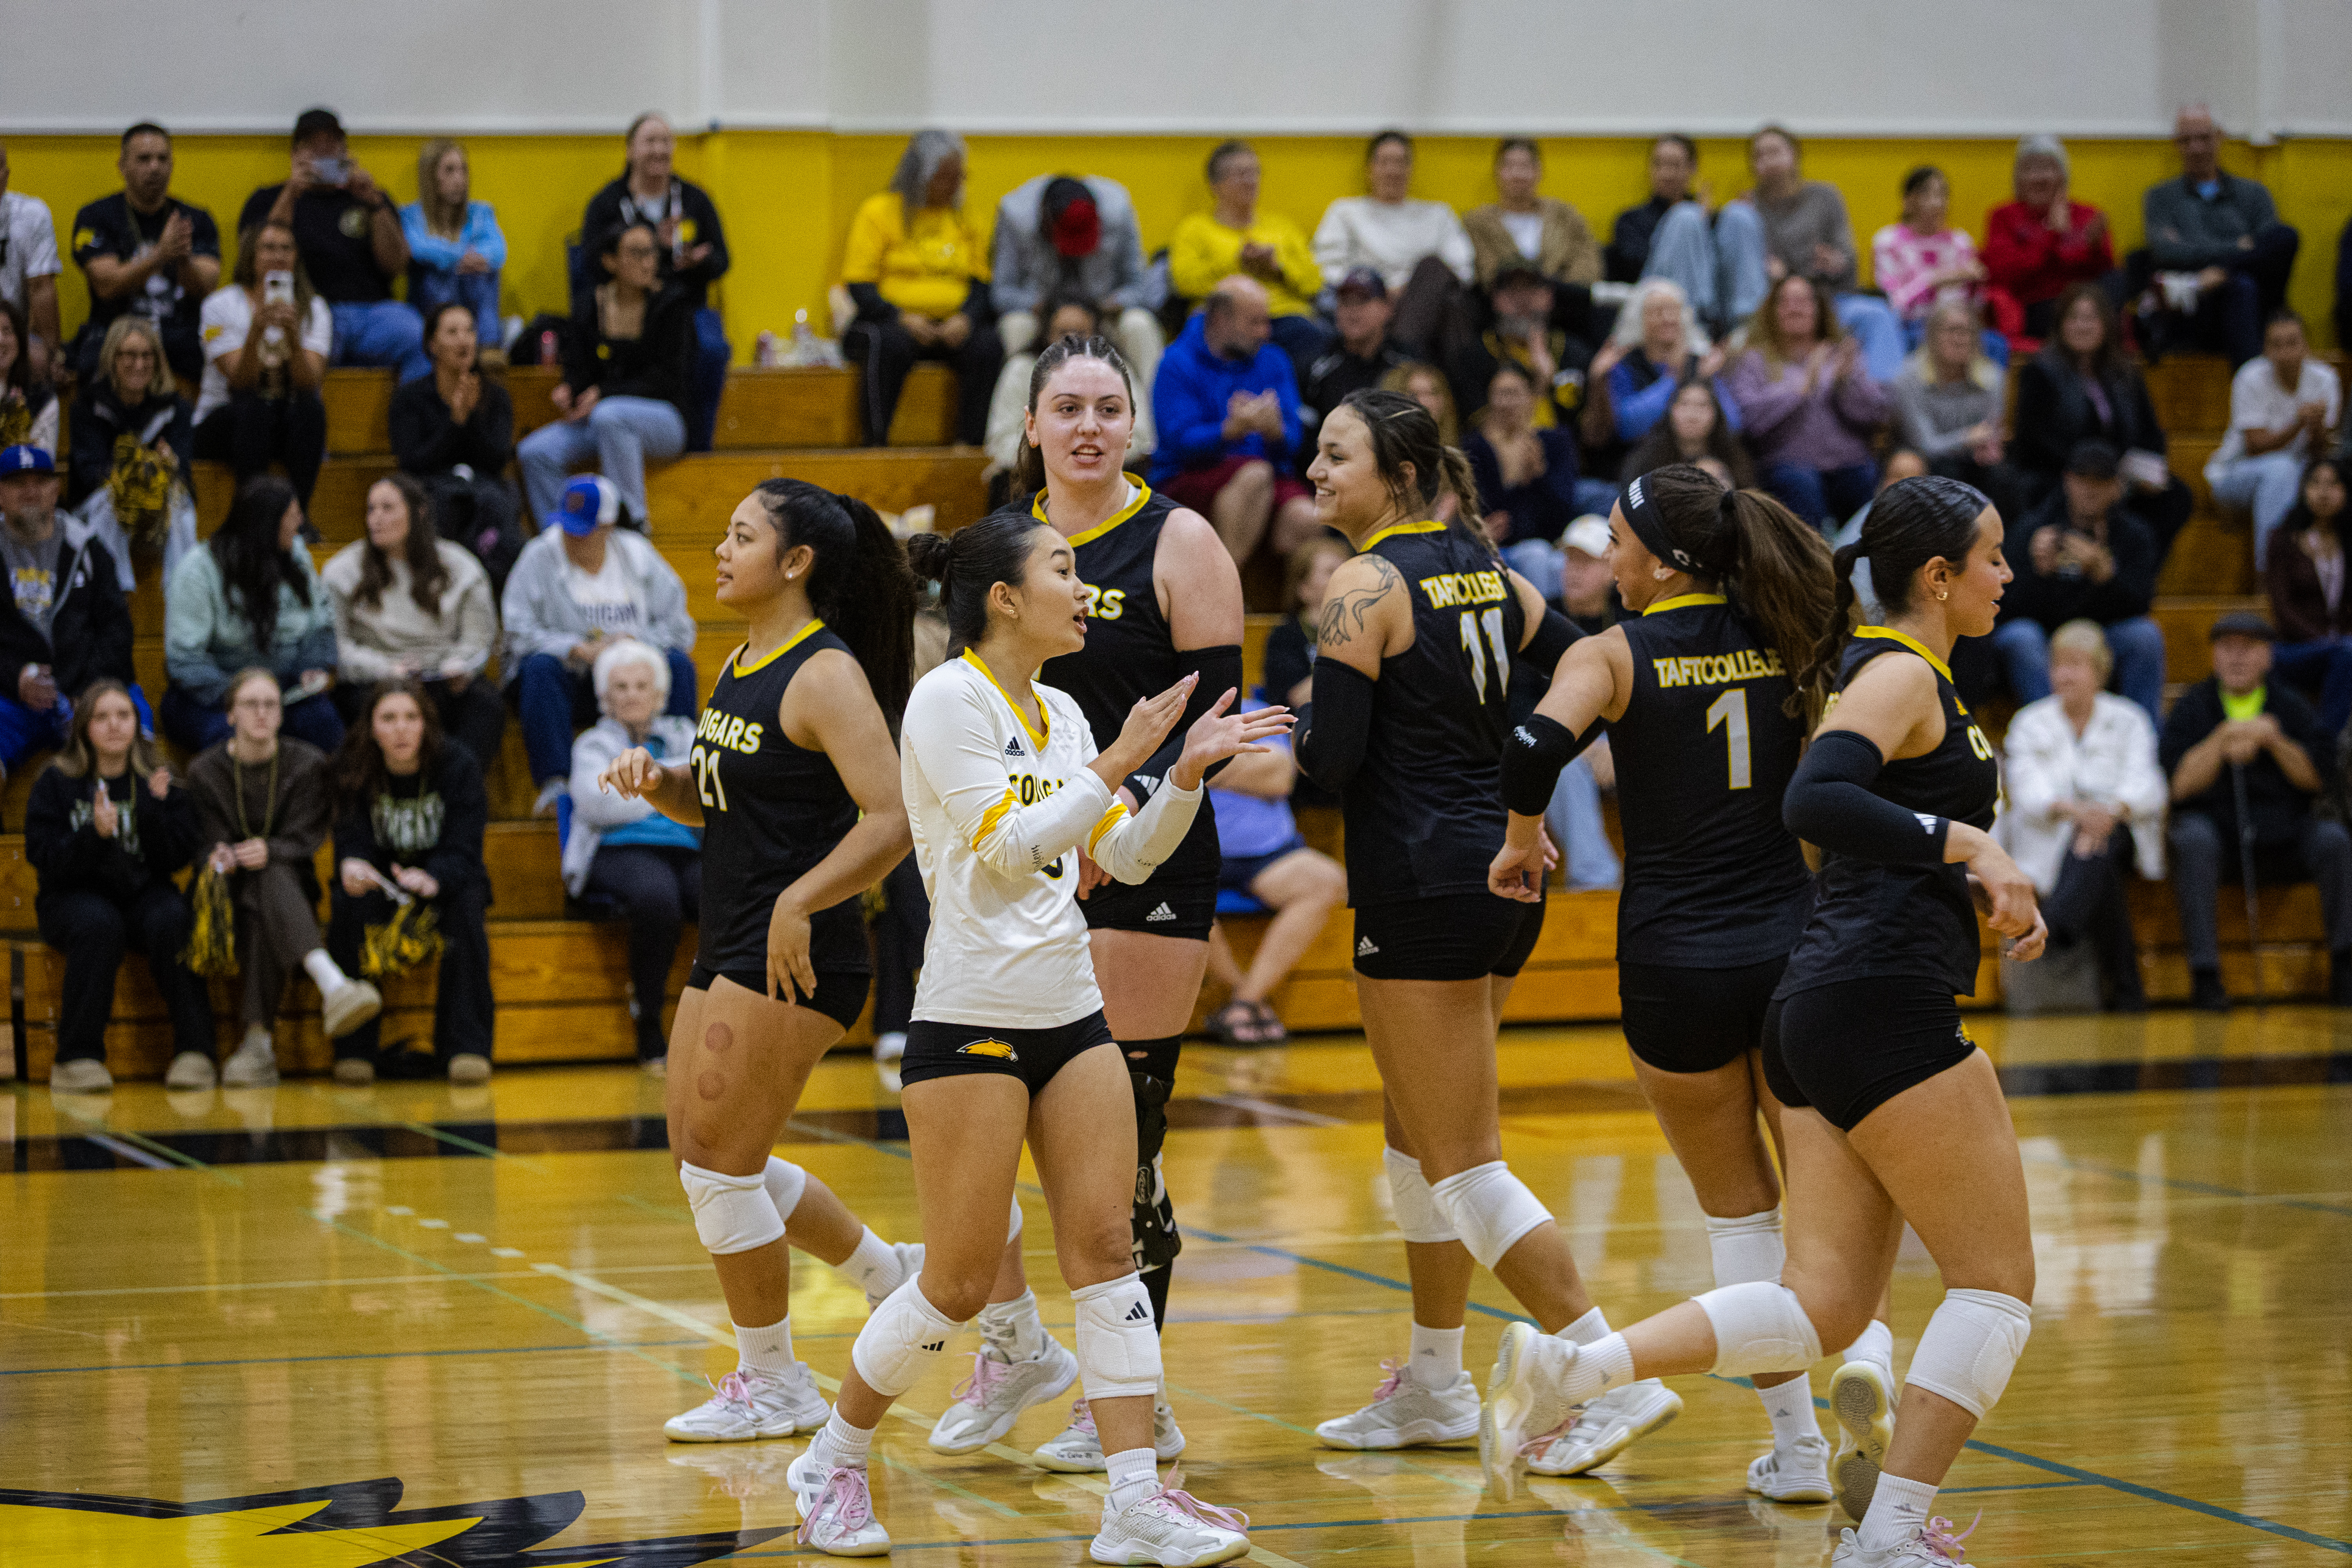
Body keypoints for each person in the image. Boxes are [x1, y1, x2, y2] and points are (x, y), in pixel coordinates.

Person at [1479, 476, 2047, 1568]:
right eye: (1993, 555)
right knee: (1995, 1286)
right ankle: (1888, 1537)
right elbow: (1814, 799)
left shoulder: (1859, 663)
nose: (2008, 573)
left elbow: (1537, 749)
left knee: (1822, 1301)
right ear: (1938, 577)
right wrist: (1972, 846)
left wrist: (1973, 873)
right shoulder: (1879, 667)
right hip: (1866, 990)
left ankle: (1580, 1369)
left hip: (1802, 989)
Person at [788, 510, 1277, 1562]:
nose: (1085, 587)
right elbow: (1009, 848)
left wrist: (1182, 776)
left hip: (1073, 1015)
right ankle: (833, 1458)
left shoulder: (1060, 709)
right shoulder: (945, 700)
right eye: (1064, 569)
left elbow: (1127, 858)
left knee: (1108, 1251)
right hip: (970, 1020)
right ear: (1006, 598)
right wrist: (1125, 756)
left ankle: (1133, 1501)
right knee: (957, 1284)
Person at [1488, 464, 1897, 1495]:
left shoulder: (1614, 653)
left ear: (1666, 563)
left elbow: (1532, 747)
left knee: (1739, 1218)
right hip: (1796, 950)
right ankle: (1870, 1360)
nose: (1610, 558)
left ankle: (1798, 1453)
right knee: (1835, 1207)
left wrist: (1523, 840)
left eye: (1619, 541)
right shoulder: (1786, 635)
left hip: (1672, 963)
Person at [1290, 390, 1641, 1473]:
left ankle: (1609, 1374)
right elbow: (1593, 662)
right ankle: (1435, 1384)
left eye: (1336, 456)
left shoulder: (1363, 585)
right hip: (1499, 874)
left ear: (1398, 475)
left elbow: (1331, 761)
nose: (1315, 472)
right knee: (1415, 1138)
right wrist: (1525, 766)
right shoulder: (1491, 572)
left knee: (1461, 1163)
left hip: (1419, 888)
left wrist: (1286, 726)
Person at [927, 334, 1247, 1470]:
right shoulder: (1003, 544)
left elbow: (1213, 721)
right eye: (1067, 407)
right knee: (989, 1127)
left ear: (1134, 424)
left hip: (1142, 859)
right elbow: (967, 702)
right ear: (1030, 425)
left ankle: (1133, 1400)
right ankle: (1017, 1343)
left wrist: (1115, 825)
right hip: (1023, 865)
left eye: (1109, 407)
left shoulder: (1182, 539)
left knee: (1126, 1143)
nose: (1089, 427)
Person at [588, 487, 920, 1477]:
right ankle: (887, 1272)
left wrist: (803, 900)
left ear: (796, 561)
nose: (721, 550)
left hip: (798, 950)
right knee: (704, 1153)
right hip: (733, 934)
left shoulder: (826, 672)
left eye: (743, 535)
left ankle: (774, 1379)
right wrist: (665, 784)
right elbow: (730, 800)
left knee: (722, 1165)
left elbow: (892, 817)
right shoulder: (739, 661)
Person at [187, 667, 383, 1085]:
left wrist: (270, 850)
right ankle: (332, 985)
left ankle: (258, 1044)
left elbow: (305, 839)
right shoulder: (205, 771)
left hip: (289, 887)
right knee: (261, 886)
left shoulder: (308, 764)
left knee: (269, 878)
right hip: (226, 893)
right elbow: (202, 842)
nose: (261, 713)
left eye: (270, 705)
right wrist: (220, 856)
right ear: (231, 715)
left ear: (281, 713)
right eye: (250, 705)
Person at [2159, 611, 2352, 1011]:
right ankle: (2205, 975)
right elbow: (2177, 787)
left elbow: (2317, 779)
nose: (2237, 657)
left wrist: (2275, 742)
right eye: (2227, 648)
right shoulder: (2192, 707)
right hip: (2221, 837)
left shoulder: (2292, 706)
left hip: (2286, 834)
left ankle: (2346, 967)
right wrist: (2219, 741)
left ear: (2268, 656)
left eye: (2248, 648)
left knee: (2333, 840)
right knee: (2192, 839)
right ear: (2214, 655)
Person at [25, 680, 208, 1096]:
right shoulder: (56, 781)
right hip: (71, 896)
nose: (114, 725)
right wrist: (93, 835)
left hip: (143, 892)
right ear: (84, 728)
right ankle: (77, 1058)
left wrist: (153, 813)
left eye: (124, 715)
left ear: (137, 724)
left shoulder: (159, 780)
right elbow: (44, 857)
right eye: (102, 717)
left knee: (173, 917)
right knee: (98, 924)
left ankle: (196, 1050)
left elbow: (176, 859)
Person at [327, 678, 493, 1083]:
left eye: (411, 717)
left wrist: (434, 876)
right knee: (348, 905)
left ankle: (465, 1046)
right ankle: (354, 1048)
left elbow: (466, 845)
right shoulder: (352, 767)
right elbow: (350, 838)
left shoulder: (459, 765)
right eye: (389, 719)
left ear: (426, 724)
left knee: (467, 909)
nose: (401, 729)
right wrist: (353, 864)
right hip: (382, 880)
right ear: (372, 728)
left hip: (444, 876)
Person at [503, 475, 698, 813]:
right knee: (539, 669)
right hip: (574, 680)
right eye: (567, 528)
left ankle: (682, 771)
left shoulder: (638, 556)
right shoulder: (539, 556)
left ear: (608, 528)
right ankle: (555, 785)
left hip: (633, 679)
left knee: (679, 665)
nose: (571, 539)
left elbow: (681, 628)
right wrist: (574, 648)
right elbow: (516, 630)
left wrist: (636, 643)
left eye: (583, 531)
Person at [2001, 621, 2167, 1012]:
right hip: (2056, 837)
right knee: (2096, 856)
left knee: (2101, 842)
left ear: (2100, 671)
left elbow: (2148, 785)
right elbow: (2028, 791)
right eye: (2058, 664)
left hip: (2120, 831)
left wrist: (2109, 813)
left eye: (2076, 664)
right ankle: (2127, 991)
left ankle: (2058, 925)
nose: (2065, 674)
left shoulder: (2129, 719)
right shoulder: (2030, 722)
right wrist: (2081, 814)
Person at [564, 639, 700, 1069]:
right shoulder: (592, 744)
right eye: (620, 687)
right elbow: (596, 804)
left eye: (642, 686)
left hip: (685, 847)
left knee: (723, 894)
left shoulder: (687, 734)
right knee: (658, 897)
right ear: (605, 698)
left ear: (659, 695)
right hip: (616, 849)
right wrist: (669, 792)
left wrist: (640, 789)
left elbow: (710, 792)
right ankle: (649, 1017)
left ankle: (720, 1020)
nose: (631, 695)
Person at [518, 220, 693, 529]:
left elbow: (666, 379)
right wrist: (569, 389)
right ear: (610, 261)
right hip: (604, 418)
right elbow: (579, 365)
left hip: (664, 419)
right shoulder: (591, 303)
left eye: (652, 252)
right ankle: (567, 537)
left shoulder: (673, 304)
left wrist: (604, 393)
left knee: (610, 416)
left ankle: (631, 528)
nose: (648, 262)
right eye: (637, 253)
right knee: (534, 452)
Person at [321, 474, 503, 768]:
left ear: (419, 513)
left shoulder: (460, 565)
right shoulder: (343, 571)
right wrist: (385, 670)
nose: (376, 519)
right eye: (371, 509)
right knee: (356, 706)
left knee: (486, 703)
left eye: (388, 508)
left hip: (442, 676)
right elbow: (335, 645)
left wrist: (460, 664)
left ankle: (456, 783)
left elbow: (479, 636)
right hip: (374, 679)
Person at [840, 130, 1001, 448]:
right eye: (944, 178)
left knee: (988, 345)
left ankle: (968, 446)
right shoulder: (879, 212)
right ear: (919, 176)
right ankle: (875, 445)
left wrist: (967, 318)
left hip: (952, 324)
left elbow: (982, 283)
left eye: (959, 177)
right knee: (886, 343)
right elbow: (859, 284)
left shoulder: (966, 218)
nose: (954, 186)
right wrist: (901, 317)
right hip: (895, 321)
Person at [2011, 283, 2194, 562]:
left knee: (2176, 496)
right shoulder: (2040, 371)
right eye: (2074, 318)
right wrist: (2095, 474)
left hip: (2121, 477)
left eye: (2090, 318)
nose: (2082, 326)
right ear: (2061, 324)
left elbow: (2150, 433)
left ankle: (2134, 573)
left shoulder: (2126, 372)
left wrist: (2147, 471)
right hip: (2063, 474)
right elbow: (2032, 442)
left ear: (2106, 325)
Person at [580, 113, 731, 451]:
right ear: (630, 150)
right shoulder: (607, 203)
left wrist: (699, 261)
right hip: (628, 306)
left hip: (685, 305)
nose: (659, 149)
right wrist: (656, 250)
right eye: (650, 141)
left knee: (712, 350)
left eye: (666, 141)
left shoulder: (695, 199)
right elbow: (592, 263)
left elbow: (723, 260)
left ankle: (698, 445)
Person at [1201, 701, 1347, 1045]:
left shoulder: (1260, 711)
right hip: (1189, 855)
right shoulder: (1168, 715)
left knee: (1326, 882)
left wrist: (1202, 767)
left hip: (1268, 852)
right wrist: (1247, 768)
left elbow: (1281, 777)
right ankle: (1246, 1000)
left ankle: (1244, 1002)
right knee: (1171, 890)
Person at [240, 109, 422, 380]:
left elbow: (396, 265)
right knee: (302, 348)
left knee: (418, 335)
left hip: (373, 313)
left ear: (345, 151)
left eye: (332, 145)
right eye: (314, 147)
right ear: (295, 154)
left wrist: (375, 204)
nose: (324, 153)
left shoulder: (370, 199)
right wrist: (292, 192)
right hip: (310, 310)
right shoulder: (268, 199)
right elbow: (259, 257)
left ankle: (415, 409)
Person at [163, 475, 341, 753]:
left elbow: (321, 627)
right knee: (229, 736)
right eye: (293, 516)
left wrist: (309, 670)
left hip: (287, 691)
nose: (301, 523)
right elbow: (185, 660)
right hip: (214, 695)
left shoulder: (296, 555)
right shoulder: (198, 569)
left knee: (324, 725)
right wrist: (246, 698)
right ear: (268, 524)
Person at [1149, 276, 1317, 568]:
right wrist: (1228, 431)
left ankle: (1283, 597)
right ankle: (1225, 584)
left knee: (1307, 516)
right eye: (1254, 323)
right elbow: (1177, 441)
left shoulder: (1274, 360)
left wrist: (1276, 432)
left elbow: (1294, 440)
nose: (1266, 332)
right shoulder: (1176, 362)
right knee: (1255, 476)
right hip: (1189, 477)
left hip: (1265, 474)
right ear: (1220, 319)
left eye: (1266, 322)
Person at [1991, 441, 2164, 722]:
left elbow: (2142, 604)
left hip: (2106, 635)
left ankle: (2142, 736)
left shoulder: (2134, 535)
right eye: (2083, 479)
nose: (2090, 490)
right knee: (2020, 637)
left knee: (2145, 636)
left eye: (2100, 482)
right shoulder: (2032, 529)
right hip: (2046, 634)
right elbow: (2004, 604)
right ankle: (2051, 731)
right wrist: (2038, 573)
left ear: (2116, 487)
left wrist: (2106, 576)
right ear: (2068, 480)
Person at [991, 173, 1160, 456]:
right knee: (1015, 325)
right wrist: (1037, 305)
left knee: (1139, 324)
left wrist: (1114, 303)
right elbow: (1002, 292)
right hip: (1042, 315)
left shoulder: (1119, 209)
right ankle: (1025, 431)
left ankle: (1154, 434)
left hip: (1102, 312)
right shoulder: (1014, 215)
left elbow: (1141, 286)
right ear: (1046, 224)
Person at [0, 445, 142, 775]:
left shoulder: (88, 547)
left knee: (137, 752)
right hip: (10, 699)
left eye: (40, 482)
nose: (30, 492)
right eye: (18, 483)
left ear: (56, 489)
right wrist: (14, 677)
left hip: (87, 694)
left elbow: (117, 631)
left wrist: (89, 691)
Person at [1725, 127, 1905, 381]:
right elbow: (1748, 274)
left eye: (1775, 152)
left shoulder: (1825, 197)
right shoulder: (1749, 207)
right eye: (1760, 156)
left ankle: (1882, 397)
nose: (1769, 161)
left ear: (1794, 155)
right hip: (1774, 305)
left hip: (1826, 301)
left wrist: (1836, 262)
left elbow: (1849, 262)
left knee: (1877, 314)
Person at [1724, 275, 1889, 532]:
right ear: (1773, 311)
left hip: (1848, 464)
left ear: (1819, 309)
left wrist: (1846, 384)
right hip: (1787, 466)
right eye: (1786, 302)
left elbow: (1876, 414)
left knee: (1865, 479)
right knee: (1801, 484)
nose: (1795, 309)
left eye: (1803, 301)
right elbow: (1749, 419)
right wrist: (1801, 388)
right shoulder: (1753, 360)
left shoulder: (1841, 355)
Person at [2141, 105, 2300, 367]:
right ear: (2176, 144)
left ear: (2219, 138)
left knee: (2284, 237)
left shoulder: (2254, 194)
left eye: (2203, 138)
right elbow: (2166, 252)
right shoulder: (2160, 198)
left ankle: (2226, 275)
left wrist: (2220, 269)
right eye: (2186, 140)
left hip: (2255, 300)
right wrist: (2238, 247)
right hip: (2194, 304)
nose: (2196, 148)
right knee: (2241, 286)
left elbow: (2270, 251)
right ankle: (2248, 381)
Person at [69, 122, 220, 385]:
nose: (155, 168)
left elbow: (207, 287)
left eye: (163, 159)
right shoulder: (96, 217)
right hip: (114, 331)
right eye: (144, 159)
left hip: (180, 331)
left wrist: (184, 260)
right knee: (88, 360)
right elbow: (106, 285)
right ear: (122, 166)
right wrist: (160, 255)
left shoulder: (196, 219)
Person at [193, 220, 329, 509]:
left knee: (311, 410)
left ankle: (299, 516)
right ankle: (252, 517)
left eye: (286, 249)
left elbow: (309, 383)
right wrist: (257, 330)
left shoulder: (314, 308)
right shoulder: (220, 305)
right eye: (269, 248)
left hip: (281, 419)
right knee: (253, 406)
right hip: (224, 419)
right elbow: (240, 381)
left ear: (296, 257)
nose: (278, 256)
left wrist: (292, 337)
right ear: (251, 256)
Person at [1168, 141, 1330, 377]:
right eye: (1241, 174)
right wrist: (1238, 265)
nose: (1251, 181)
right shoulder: (1195, 230)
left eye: (1255, 173)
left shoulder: (1283, 228)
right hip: (1225, 319)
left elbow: (1314, 284)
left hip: (1283, 317)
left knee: (1312, 338)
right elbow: (1184, 282)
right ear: (1216, 184)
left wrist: (1278, 269)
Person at [390, 301, 521, 592]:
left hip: (485, 489)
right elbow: (412, 463)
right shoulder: (409, 399)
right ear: (433, 345)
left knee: (499, 503)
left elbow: (496, 461)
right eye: (453, 332)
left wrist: (470, 419)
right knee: (440, 505)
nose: (464, 340)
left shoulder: (496, 397)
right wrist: (455, 422)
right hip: (432, 489)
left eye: (469, 331)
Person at [1314, 132, 1474, 359]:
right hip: (1368, 302)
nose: (1393, 171)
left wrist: (1408, 293)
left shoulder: (1438, 215)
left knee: (1434, 271)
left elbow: (1464, 270)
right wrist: (1381, 291)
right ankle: (1405, 359)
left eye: (1401, 163)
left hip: (1426, 304)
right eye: (1385, 162)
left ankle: (1400, 355)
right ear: (1370, 169)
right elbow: (1328, 269)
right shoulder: (1346, 212)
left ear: (1410, 169)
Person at [67, 316, 197, 591]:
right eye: (130, 355)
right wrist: (134, 477)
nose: (139, 365)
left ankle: (183, 591)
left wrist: (168, 465)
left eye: (147, 356)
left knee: (180, 506)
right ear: (112, 358)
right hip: (99, 507)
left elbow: (184, 475)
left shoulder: (175, 408)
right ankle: (114, 591)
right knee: (111, 501)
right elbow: (90, 474)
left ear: (158, 360)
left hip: (157, 513)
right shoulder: (88, 406)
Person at [2205, 310, 2341, 568]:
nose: (2285, 352)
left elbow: (2321, 453)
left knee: (2325, 478)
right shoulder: (2249, 377)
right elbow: (2255, 447)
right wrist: (2299, 423)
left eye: (2293, 343)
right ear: (2265, 350)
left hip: (2299, 474)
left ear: (2307, 346)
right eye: (2276, 345)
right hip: (2234, 473)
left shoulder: (2326, 379)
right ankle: (2270, 574)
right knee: (2281, 469)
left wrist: (2317, 427)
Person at [1606, 134, 1759, 335]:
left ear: (1692, 168)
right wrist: (1685, 233)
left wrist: (1704, 228)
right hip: (1660, 307)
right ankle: (1695, 331)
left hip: (1721, 307)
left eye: (1675, 165)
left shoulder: (1710, 218)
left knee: (1740, 215)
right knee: (1686, 218)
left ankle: (1748, 330)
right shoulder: (1632, 220)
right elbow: (1635, 266)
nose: (1666, 174)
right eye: (1659, 165)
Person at [1891, 298, 2023, 521]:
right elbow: (1926, 445)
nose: (1960, 339)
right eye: (1952, 331)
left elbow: (1991, 433)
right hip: (1924, 461)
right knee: (1946, 472)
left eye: (1967, 332)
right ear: (1933, 337)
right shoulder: (1909, 378)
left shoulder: (1992, 377)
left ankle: (2002, 540)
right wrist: (1967, 439)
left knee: (2006, 478)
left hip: (1972, 459)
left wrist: (1990, 448)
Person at [1467, 361, 1592, 590]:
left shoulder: (1555, 442)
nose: (1507, 403)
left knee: (1538, 556)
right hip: (1490, 549)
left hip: (1545, 547)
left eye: (1514, 393)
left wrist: (1540, 476)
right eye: (1501, 394)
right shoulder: (1474, 448)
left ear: (1531, 397)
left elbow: (1563, 510)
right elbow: (1479, 511)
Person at [1582, 277, 1730, 465]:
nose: (1667, 319)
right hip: (1636, 462)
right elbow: (1626, 425)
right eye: (1657, 312)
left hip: (1695, 463)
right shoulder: (1624, 364)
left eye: (1674, 310)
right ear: (1639, 319)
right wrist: (1673, 380)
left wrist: (1709, 378)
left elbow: (1733, 424)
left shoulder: (1700, 362)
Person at [1982, 135, 2114, 344]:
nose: (2041, 178)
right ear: (2018, 180)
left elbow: (2102, 273)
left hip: (2086, 307)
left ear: (2064, 177)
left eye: (2049, 169)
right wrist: (2052, 235)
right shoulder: (2004, 217)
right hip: (2033, 308)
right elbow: (2003, 274)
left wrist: (2096, 250)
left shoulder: (2086, 215)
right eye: (2032, 170)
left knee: (2116, 281)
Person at [1870, 167, 2004, 364]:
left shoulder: (1960, 242)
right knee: (1907, 342)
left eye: (1943, 195)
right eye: (1927, 194)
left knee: (1996, 344)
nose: (1938, 203)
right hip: (1911, 327)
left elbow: (1976, 305)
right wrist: (1934, 280)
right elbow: (1893, 305)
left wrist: (1977, 284)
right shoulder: (1888, 242)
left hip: (1957, 324)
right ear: (1908, 201)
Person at [2265, 457, 2352, 736]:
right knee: (2347, 653)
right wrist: (2327, 640)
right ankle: (2327, 743)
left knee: (2347, 654)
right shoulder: (2282, 540)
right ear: (2303, 490)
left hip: (2342, 649)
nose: (2324, 493)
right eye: (2315, 484)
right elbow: (2282, 609)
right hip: (2295, 649)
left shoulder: (2348, 541)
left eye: (2333, 484)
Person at [401, 140, 506, 359]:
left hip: (474, 302)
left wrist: (475, 260)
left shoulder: (480, 212)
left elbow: (498, 251)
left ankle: (487, 350)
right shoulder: (411, 216)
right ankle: (443, 342)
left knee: (484, 274)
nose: (460, 179)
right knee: (437, 273)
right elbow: (418, 248)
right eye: (450, 170)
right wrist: (459, 258)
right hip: (429, 307)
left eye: (463, 170)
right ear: (431, 176)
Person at [1463, 140, 1601, 302]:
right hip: (1499, 307)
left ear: (1539, 171)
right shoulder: (1477, 223)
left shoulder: (1565, 217)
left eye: (1526, 166)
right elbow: (1484, 274)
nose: (1518, 175)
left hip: (1563, 304)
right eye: (1510, 166)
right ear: (1497, 172)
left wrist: (1555, 294)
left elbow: (1588, 264)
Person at [1301, 269, 1404, 437]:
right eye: (1345, 303)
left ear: (1386, 308)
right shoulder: (1317, 365)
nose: (1352, 311)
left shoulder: (1405, 363)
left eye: (1362, 302)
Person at [1262, 534, 1350, 715]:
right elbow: (1297, 698)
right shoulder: (1285, 636)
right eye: (1331, 572)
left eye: (1346, 571)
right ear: (1305, 589)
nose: (1344, 579)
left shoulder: (1361, 629)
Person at [1621, 377, 1755, 490]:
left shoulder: (1734, 459)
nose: (1693, 416)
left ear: (1717, 414)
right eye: (1685, 404)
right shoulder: (1648, 457)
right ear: (1671, 411)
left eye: (1702, 406)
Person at [0, 143, 62, 380]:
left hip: (12, 331)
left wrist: (53, 355)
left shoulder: (32, 214)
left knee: (38, 358)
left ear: (6, 175)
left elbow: (42, 288)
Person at [0, 298, 59, 455]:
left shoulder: (42, 400)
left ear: (20, 340)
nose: (1, 340)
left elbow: (43, 460)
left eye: (7, 331)